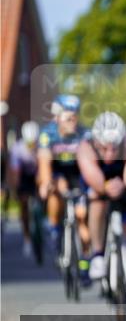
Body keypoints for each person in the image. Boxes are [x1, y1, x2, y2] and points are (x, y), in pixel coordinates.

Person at [77, 112, 126, 313]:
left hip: (125, 186)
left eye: (114, 148)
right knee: (96, 202)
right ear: (96, 142)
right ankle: (98, 254)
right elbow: (92, 176)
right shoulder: (86, 147)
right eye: (104, 148)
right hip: (99, 185)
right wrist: (104, 187)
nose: (109, 154)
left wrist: (124, 185)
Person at [36, 95, 90, 261]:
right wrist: (45, 183)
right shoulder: (47, 134)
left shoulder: (85, 134)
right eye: (68, 117)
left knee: (82, 216)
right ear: (57, 117)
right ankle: (54, 226)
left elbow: (91, 163)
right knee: (56, 187)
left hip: (78, 172)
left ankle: (85, 261)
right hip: (57, 172)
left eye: (75, 117)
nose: (72, 121)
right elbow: (44, 160)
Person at [8, 121, 41, 258]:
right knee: (24, 204)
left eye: (33, 142)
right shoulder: (18, 148)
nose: (31, 145)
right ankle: (27, 238)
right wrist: (16, 190)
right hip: (23, 176)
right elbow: (16, 173)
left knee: (42, 194)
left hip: (37, 174)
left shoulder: (41, 146)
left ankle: (42, 220)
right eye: (29, 143)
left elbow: (44, 169)